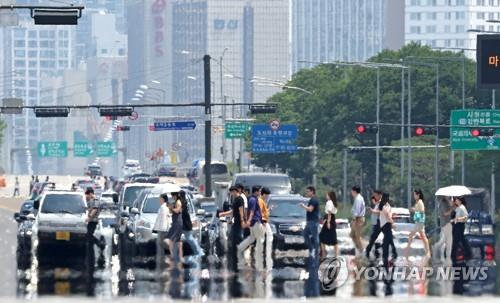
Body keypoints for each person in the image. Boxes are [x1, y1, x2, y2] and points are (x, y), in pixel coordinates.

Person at [218, 186, 245, 271]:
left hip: (238, 225)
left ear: (235, 191)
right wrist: (223, 214)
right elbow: (233, 212)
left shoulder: (239, 199)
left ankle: (239, 261)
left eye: (231, 193)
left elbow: (241, 211)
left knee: (236, 242)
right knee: (232, 241)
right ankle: (235, 262)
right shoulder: (236, 200)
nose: (231, 195)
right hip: (235, 224)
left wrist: (242, 220)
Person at [238, 185, 264, 271]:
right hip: (255, 222)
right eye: (259, 191)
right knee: (260, 239)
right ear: (256, 192)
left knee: (252, 238)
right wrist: (249, 221)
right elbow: (252, 211)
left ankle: (240, 248)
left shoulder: (252, 199)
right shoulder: (253, 200)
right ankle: (258, 261)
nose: (260, 193)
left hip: (254, 222)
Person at [405, 189, 431, 258]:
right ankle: (427, 252)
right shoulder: (418, 202)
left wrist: (415, 210)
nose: (414, 196)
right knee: (422, 236)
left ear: (418, 195)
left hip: (419, 222)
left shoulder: (420, 202)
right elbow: (418, 209)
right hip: (418, 222)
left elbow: (422, 210)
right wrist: (413, 209)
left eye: (414, 194)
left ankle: (407, 250)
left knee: (412, 235)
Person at [180, 190, 203, 257]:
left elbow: (181, 212)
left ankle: (198, 251)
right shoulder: (183, 202)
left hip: (186, 224)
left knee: (190, 238)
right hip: (184, 224)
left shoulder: (183, 203)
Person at [300, 186, 320, 262]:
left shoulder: (314, 200)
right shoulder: (311, 200)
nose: (307, 193)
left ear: (312, 192)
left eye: (308, 191)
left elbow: (310, 209)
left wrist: (303, 206)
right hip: (309, 222)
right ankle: (311, 249)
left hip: (313, 221)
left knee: (315, 237)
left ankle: (316, 252)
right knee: (305, 234)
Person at [153, 193, 172, 270]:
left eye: (160, 199)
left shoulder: (163, 207)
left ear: (163, 199)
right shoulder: (166, 206)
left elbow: (162, 219)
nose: (159, 200)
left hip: (162, 229)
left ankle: (162, 261)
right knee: (163, 244)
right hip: (164, 228)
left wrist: (159, 229)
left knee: (161, 244)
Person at [166, 192, 183, 268]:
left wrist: (171, 208)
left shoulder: (179, 202)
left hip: (178, 223)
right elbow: (171, 211)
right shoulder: (174, 202)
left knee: (172, 240)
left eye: (173, 196)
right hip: (175, 222)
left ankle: (174, 256)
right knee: (176, 240)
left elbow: (177, 211)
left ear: (175, 196)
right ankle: (178, 256)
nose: (172, 197)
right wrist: (169, 207)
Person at [451, 196, 470, 263]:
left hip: (460, 226)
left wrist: (458, 219)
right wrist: (453, 220)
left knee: (455, 241)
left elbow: (466, 217)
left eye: (456, 200)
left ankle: (453, 256)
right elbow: (455, 215)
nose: (455, 201)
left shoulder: (462, 207)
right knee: (462, 240)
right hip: (456, 225)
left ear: (460, 201)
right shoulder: (458, 208)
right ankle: (468, 254)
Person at [319, 191, 338, 258]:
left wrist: (328, 222)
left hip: (330, 220)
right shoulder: (333, 202)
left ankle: (324, 251)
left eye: (327, 195)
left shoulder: (329, 202)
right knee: (333, 238)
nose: (326, 196)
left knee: (321, 236)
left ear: (329, 196)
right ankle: (335, 254)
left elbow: (329, 213)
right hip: (331, 219)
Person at [435, 197, 454, 264]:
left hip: (446, 224)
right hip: (446, 224)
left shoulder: (445, 202)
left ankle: (445, 257)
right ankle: (438, 252)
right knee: (446, 241)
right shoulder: (443, 203)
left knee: (445, 241)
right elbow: (445, 213)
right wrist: (452, 208)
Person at [379, 193, 396, 268]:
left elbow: (389, 214)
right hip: (386, 225)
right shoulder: (383, 206)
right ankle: (391, 255)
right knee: (388, 241)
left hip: (386, 225)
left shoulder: (387, 205)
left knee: (388, 240)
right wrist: (393, 223)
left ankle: (390, 256)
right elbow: (387, 215)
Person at [85, 187, 101, 268]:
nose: (87, 196)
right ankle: (92, 246)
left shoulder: (95, 199)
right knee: (89, 235)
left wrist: (89, 217)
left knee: (89, 234)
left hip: (93, 220)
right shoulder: (89, 200)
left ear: (91, 193)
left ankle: (100, 244)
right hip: (90, 220)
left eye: (88, 194)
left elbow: (95, 209)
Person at [365, 191, 382, 259]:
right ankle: (373, 251)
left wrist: (372, 211)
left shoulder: (381, 203)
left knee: (373, 238)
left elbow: (381, 212)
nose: (375, 197)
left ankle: (369, 251)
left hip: (380, 223)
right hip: (377, 223)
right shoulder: (378, 204)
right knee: (373, 238)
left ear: (379, 195)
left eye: (375, 196)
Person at [259, 187, 273, 271]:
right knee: (267, 239)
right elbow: (260, 213)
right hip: (263, 222)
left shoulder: (262, 201)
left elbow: (264, 212)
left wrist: (268, 210)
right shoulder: (261, 201)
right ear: (264, 194)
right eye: (267, 195)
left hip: (263, 222)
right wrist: (263, 221)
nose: (267, 197)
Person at [350, 186, 366, 255]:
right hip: (357, 219)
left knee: (358, 236)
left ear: (354, 191)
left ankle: (362, 251)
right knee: (352, 235)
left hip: (358, 219)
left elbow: (357, 210)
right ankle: (359, 248)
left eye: (352, 192)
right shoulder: (357, 198)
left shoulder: (358, 199)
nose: (351, 193)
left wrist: (354, 219)